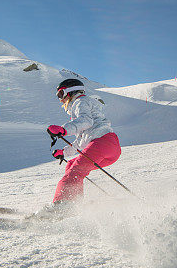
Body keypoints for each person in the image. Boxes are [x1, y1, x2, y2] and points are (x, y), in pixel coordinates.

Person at [47, 78, 121, 207]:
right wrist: (64, 152)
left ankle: (62, 206)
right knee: (71, 165)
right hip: (108, 147)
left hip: (102, 142)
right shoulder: (81, 106)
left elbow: (86, 121)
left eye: (60, 94)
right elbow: (82, 141)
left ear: (69, 92)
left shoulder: (80, 101)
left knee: (74, 173)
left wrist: (64, 130)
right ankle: (74, 204)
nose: (60, 99)